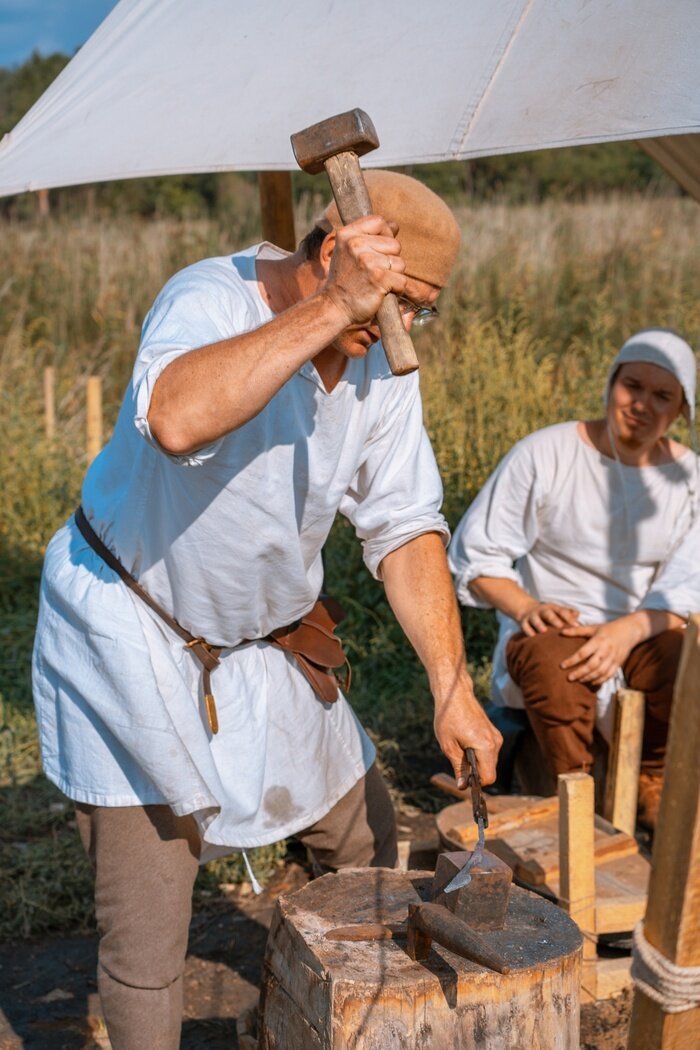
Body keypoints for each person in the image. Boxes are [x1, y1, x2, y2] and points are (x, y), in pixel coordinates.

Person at [32, 170, 501, 1049]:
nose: (402, 330)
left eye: (420, 311)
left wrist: (449, 684)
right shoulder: (208, 297)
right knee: (149, 930)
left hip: (262, 643)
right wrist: (332, 308)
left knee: (365, 836)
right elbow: (174, 418)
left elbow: (404, 524)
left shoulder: (379, 361)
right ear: (335, 253)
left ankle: (314, 1021)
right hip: (132, 635)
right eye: (399, 304)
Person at [448, 329, 698, 829]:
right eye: (633, 386)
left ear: (680, 411)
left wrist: (625, 633)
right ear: (610, 385)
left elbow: (690, 578)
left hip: (644, 627)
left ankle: (653, 779)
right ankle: (576, 797)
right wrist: (526, 608)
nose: (642, 404)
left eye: (662, 395)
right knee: (558, 664)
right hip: (555, 625)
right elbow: (476, 556)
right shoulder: (546, 453)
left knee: (687, 656)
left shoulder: (688, 478)